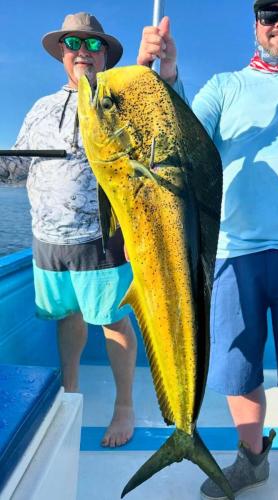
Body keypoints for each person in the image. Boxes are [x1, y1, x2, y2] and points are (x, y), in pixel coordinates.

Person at [138, 2, 278, 499]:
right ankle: (252, 460)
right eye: (269, 13)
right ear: (256, 23)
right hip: (229, 251)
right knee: (236, 369)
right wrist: (164, 72)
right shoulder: (224, 87)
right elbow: (179, 139)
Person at [0, 12, 137, 448]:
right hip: (48, 241)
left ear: (106, 56)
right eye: (74, 43)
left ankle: (124, 405)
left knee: (113, 321)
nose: (84, 52)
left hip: (101, 240)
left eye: (94, 45)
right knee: (67, 315)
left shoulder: (120, 102)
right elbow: (17, 166)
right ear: (62, 52)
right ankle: (71, 388)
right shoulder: (40, 107)